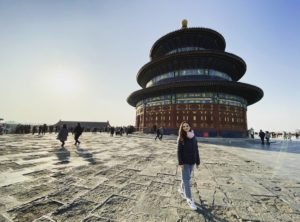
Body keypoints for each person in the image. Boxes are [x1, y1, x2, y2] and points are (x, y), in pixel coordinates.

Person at [177, 121, 200, 210]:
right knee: (187, 180)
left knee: (186, 177)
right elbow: (179, 151)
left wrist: (197, 161)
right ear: (182, 128)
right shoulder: (181, 138)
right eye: (184, 126)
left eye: (187, 126)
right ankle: (189, 199)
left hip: (192, 161)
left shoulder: (193, 136)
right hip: (185, 162)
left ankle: (181, 189)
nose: (186, 127)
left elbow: (196, 149)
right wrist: (180, 163)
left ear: (190, 127)